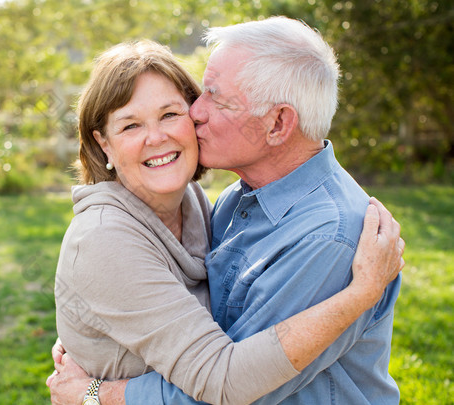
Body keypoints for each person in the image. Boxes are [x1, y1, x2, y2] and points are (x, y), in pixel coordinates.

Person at [47, 32, 403, 405]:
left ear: (278, 123)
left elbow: (229, 386)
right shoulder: (236, 200)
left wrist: (95, 394)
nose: (197, 111)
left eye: (214, 98)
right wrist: (93, 323)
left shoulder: (329, 237)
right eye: (130, 125)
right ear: (104, 142)